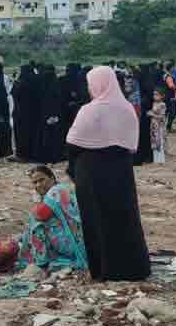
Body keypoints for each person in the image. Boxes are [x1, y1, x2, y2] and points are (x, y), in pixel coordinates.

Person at [65, 66, 152, 282]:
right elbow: (131, 145)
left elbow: (73, 142)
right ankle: (132, 268)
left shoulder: (89, 110)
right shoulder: (127, 108)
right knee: (124, 217)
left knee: (95, 218)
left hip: (91, 171)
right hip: (120, 169)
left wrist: (73, 168)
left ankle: (103, 269)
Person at [15, 165, 87, 274]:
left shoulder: (55, 191)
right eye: (35, 182)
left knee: (37, 223)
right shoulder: (61, 188)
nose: (38, 185)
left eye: (41, 180)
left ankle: (41, 262)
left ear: (52, 178)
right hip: (81, 239)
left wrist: (35, 212)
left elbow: (40, 214)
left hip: (73, 243)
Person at [11, 64, 39, 161]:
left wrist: (15, 81)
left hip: (21, 114)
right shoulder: (36, 80)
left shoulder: (22, 82)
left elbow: (14, 93)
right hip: (33, 113)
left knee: (22, 135)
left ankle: (22, 155)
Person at [150, 88, 168, 164]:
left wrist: (152, 114)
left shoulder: (162, 104)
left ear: (162, 96)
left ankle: (161, 159)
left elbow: (162, 116)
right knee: (154, 140)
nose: (155, 96)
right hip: (154, 125)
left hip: (159, 125)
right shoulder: (153, 103)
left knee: (159, 140)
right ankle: (155, 158)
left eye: (157, 94)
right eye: (154, 94)